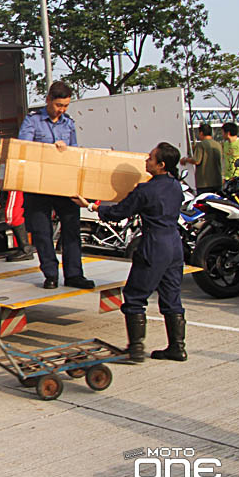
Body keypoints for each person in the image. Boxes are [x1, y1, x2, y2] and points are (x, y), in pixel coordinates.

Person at [75, 143, 187, 363]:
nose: (146, 159)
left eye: (151, 157)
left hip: (154, 244)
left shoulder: (146, 190)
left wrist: (91, 206)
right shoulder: (176, 186)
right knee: (171, 296)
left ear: (161, 165)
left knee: (135, 296)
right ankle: (177, 347)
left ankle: (135, 349)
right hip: (174, 244)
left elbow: (118, 213)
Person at [17, 81, 94, 290]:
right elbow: (24, 148)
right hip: (38, 185)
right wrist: (51, 149)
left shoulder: (68, 123)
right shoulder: (33, 121)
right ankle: (50, 274)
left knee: (72, 231)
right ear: (49, 100)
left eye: (66, 106)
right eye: (59, 105)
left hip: (64, 184)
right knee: (42, 233)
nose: (62, 109)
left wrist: (67, 150)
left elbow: (75, 151)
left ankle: (75, 274)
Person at [180, 123, 222, 195]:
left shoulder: (201, 145)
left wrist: (186, 160)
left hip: (204, 183)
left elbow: (196, 160)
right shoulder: (218, 145)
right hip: (217, 181)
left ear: (201, 133)